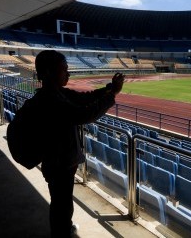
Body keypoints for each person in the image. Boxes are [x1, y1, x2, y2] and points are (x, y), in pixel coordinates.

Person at [32, 50, 124, 237]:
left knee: (61, 201)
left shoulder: (53, 94)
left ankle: (63, 228)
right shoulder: (52, 100)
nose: (68, 73)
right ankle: (62, 232)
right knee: (62, 203)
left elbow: (85, 97)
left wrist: (109, 89)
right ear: (49, 73)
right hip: (60, 163)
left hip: (57, 162)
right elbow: (85, 115)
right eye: (64, 69)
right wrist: (112, 94)